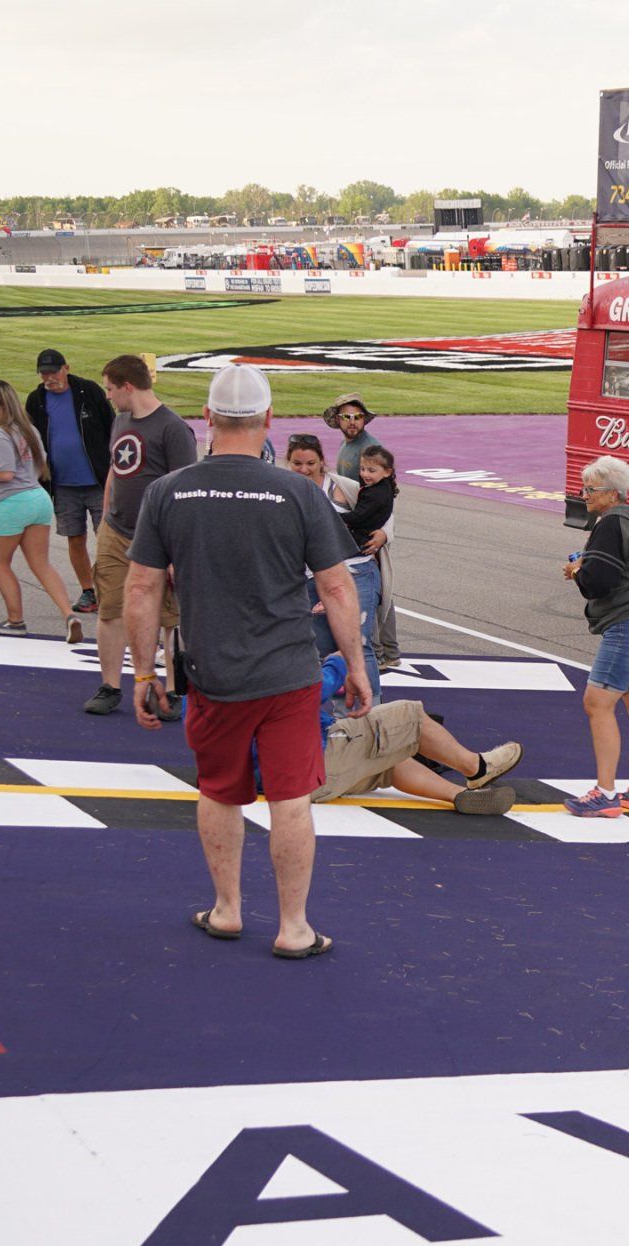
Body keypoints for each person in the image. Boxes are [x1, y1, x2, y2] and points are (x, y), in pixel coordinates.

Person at [125, 364, 371, 960]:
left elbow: (141, 588)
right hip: (287, 673)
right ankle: (294, 927)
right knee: (290, 799)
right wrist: (357, 667)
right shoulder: (298, 492)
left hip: (214, 673)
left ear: (207, 418)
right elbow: (338, 588)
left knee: (219, 791)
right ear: (268, 418)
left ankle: (228, 909)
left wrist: (143, 672)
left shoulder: (169, 491)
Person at [560, 455, 629, 818]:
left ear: (612, 493)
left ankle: (605, 793)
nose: (584, 495)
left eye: (591, 489)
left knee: (597, 703)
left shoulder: (609, 524)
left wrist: (578, 572)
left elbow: (600, 582)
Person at [86, 355, 196, 717]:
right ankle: (110, 685)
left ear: (127, 387)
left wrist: (176, 550)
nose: (108, 396)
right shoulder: (120, 421)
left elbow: (184, 492)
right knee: (110, 607)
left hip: (158, 537)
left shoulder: (173, 429)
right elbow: (115, 472)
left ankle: (173, 690)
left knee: (168, 616)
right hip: (116, 530)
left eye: (110, 389)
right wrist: (105, 518)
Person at [0, 381, 85, 642]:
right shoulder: (28, 430)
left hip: (9, 503)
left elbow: (4, 473)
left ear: (1, 403)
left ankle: (15, 620)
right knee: (41, 564)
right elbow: (38, 464)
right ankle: (69, 614)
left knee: (1, 564)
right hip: (37, 498)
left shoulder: (0, 434)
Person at [311, 654, 520, 813]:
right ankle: (477, 767)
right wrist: (339, 662)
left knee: (387, 759)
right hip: (319, 763)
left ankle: (459, 795)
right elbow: (306, 692)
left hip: (306, 788)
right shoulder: (288, 656)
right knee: (411, 716)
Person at [286, 433, 381, 698]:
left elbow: (380, 504)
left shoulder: (341, 486)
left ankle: (372, 712)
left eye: (310, 463)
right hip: (313, 577)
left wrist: (384, 533)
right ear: (288, 462)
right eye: (297, 464)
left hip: (355, 570)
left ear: (322, 461)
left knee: (357, 644)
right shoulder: (284, 493)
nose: (304, 470)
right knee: (326, 649)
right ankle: (342, 716)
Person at [23, 349, 116, 613]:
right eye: (44, 373)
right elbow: (29, 438)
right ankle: (89, 592)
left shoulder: (88, 391)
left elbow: (113, 426)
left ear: (66, 368)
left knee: (107, 540)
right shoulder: (36, 400)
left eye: (53, 372)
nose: (49, 378)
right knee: (75, 539)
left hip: (98, 481)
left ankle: (111, 591)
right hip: (62, 485)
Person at [323, 394, 400, 672]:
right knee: (375, 590)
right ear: (338, 420)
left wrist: (384, 533)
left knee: (375, 592)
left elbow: (385, 498)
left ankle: (381, 652)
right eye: (346, 417)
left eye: (357, 417)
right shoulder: (348, 446)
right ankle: (386, 650)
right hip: (356, 526)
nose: (352, 422)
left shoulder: (369, 448)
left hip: (366, 531)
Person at [343, 445, 398, 546]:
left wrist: (334, 515)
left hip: (363, 540)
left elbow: (358, 516)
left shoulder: (376, 494)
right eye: (362, 469)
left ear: (387, 472)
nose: (365, 474)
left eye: (371, 471)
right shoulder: (383, 486)